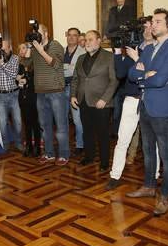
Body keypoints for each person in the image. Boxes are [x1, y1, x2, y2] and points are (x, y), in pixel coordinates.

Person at [126, 8, 168, 216]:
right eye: (153, 22)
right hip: (146, 106)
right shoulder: (149, 49)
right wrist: (144, 74)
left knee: (166, 156)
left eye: (158, 22)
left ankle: (165, 195)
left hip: (163, 110)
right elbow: (132, 74)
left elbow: (160, 80)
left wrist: (144, 75)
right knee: (148, 152)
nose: (153, 25)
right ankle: (149, 186)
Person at [107, 24, 158, 189]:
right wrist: (116, 52)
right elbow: (121, 74)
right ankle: (115, 176)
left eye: (151, 27)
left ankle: (155, 175)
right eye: (145, 28)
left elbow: (154, 75)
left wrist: (138, 59)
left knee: (151, 142)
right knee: (122, 139)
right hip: (131, 100)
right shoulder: (131, 51)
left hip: (150, 99)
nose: (147, 31)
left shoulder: (157, 52)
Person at [21, 23, 69, 165]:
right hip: (40, 93)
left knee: (60, 126)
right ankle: (49, 153)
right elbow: (27, 64)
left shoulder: (55, 45)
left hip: (56, 92)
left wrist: (40, 50)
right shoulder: (35, 48)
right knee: (45, 125)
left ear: (46, 34)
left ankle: (64, 155)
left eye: (38, 32)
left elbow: (55, 63)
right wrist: (30, 47)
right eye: (34, 32)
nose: (36, 35)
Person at [70, 30, 118, 171]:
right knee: (87, 131)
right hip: (83, 101)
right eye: (86, 40)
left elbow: (114, 80)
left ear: (98, 41)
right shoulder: (80, 58)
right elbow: (75, 79)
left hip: (102, 103)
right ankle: (89, 157)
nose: (87, 42)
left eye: (91, 39)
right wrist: (73, 95)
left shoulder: (109, 57)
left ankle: (104, 162)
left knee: (103, 133)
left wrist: (104, 99)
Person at [63, 27, 85, 156]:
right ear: (66, 36)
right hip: (60, 89)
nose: (71, 37)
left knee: (77, 120)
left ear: (78, 37)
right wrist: (69, 67)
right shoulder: (61, 51)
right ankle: (65, 144)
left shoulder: (82, 53)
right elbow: (56, 68)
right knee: (62, 119)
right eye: (69, 35)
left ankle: (80, 144)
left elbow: (76, 72)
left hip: (74, 89)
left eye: (74, 35)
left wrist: (65, 68)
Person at [17, 42, 41, 157]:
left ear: (29, 49)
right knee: (26, 123)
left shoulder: (35, 62)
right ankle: (28, 146)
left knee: (35, 122)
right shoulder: (19, 64)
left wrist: (28, 80)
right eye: (20, 49)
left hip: (34, 95)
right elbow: (17, 79)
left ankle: (37, 146)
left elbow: (37, 79)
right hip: (23, 95)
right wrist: (18, 79)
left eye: (24, 48)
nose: (22, 50)